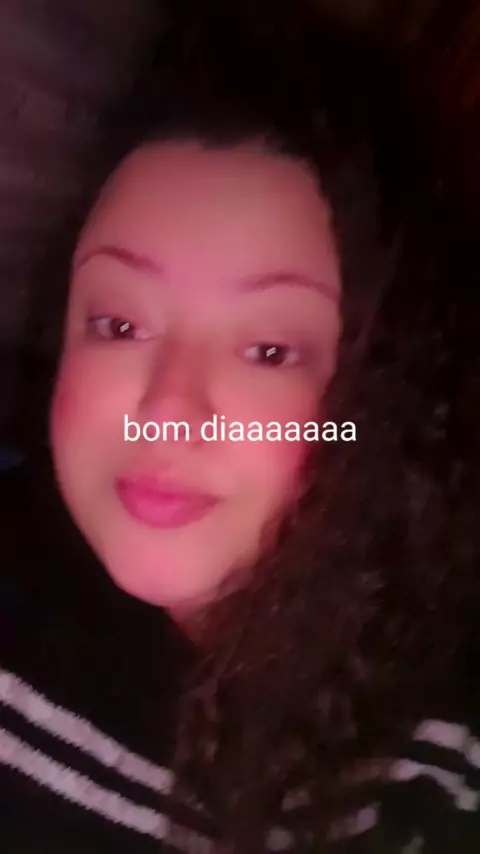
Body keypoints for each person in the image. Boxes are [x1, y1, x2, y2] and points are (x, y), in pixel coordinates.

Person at [0, 2, 476, 852]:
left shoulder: (440, 754)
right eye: (119, 325)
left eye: (268, 350)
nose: (167, 408)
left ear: (376, 403)